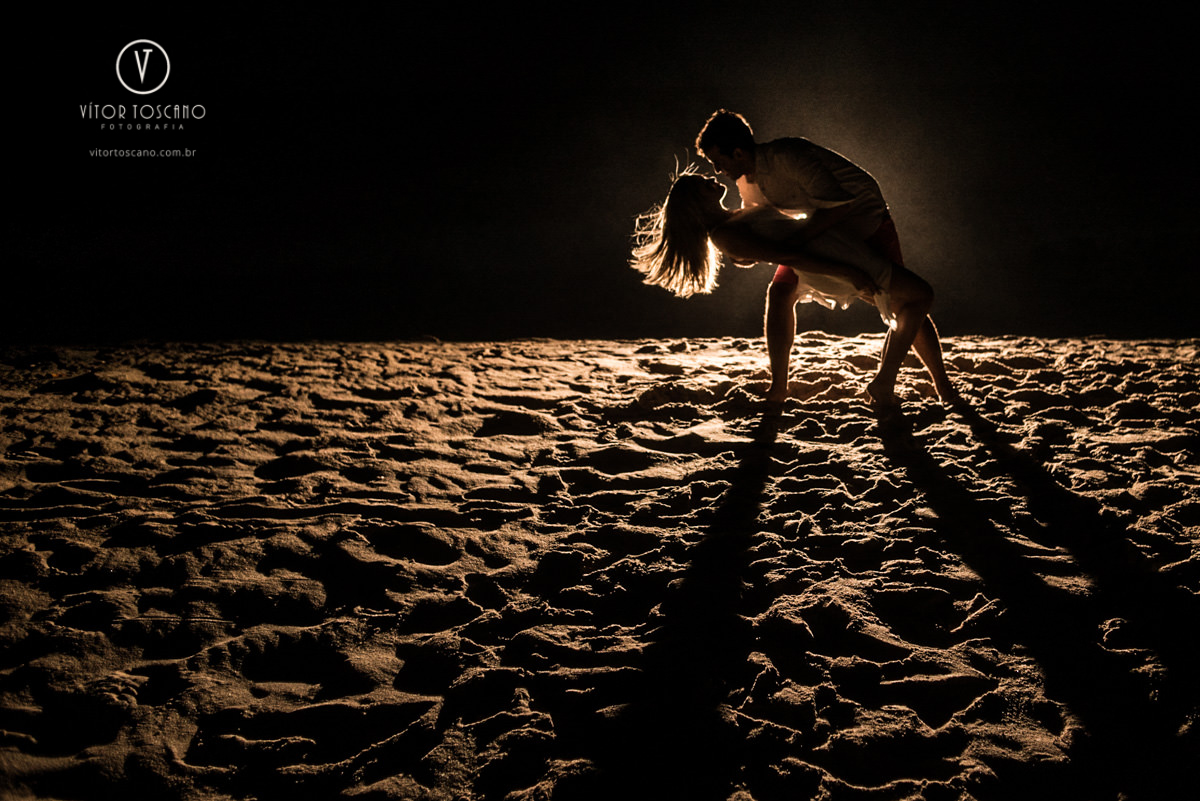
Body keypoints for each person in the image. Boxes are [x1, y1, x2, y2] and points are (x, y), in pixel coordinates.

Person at [687, 109, 956, 407]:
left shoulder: (790, 155)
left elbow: (839, 207)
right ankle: (778, 388)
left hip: (866, 221)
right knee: (779, 293)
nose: (716, 169)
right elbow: (759, 226)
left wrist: (796, 248)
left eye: (718, 161)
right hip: (818, 235)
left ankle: (940, 385)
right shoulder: (745, 181)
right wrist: (747, 253)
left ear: (737, 152)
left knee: (903, 302)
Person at [630, 167, 955, 410]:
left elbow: (778, 234)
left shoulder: (733, 218)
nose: (710, 179)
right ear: (696, 204)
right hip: (828, 258)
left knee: (908, 302)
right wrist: (847, 270)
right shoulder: (725, 234)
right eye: (702, 184)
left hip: (829, 247)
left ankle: (926, 384)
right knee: (916, 297)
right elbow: (788, 254)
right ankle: (892, 383)